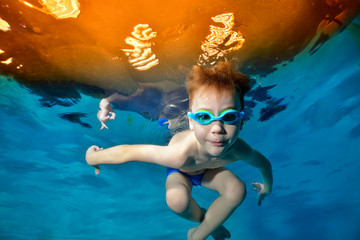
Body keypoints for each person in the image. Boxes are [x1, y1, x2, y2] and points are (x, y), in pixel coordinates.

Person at [85, 61, 273, 240]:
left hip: (210, 169)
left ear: (241, 121)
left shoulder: (238, 149)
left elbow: (264, 164)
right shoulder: (179, 155)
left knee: (237, 190)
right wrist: (92, 158)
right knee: (177, 201)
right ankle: (205, 220)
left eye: (229, 116)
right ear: (191, 121)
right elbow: (129, 152)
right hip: (182, 170)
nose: (217, 128)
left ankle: (197, 235)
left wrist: (267, 188)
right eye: (204, 116)